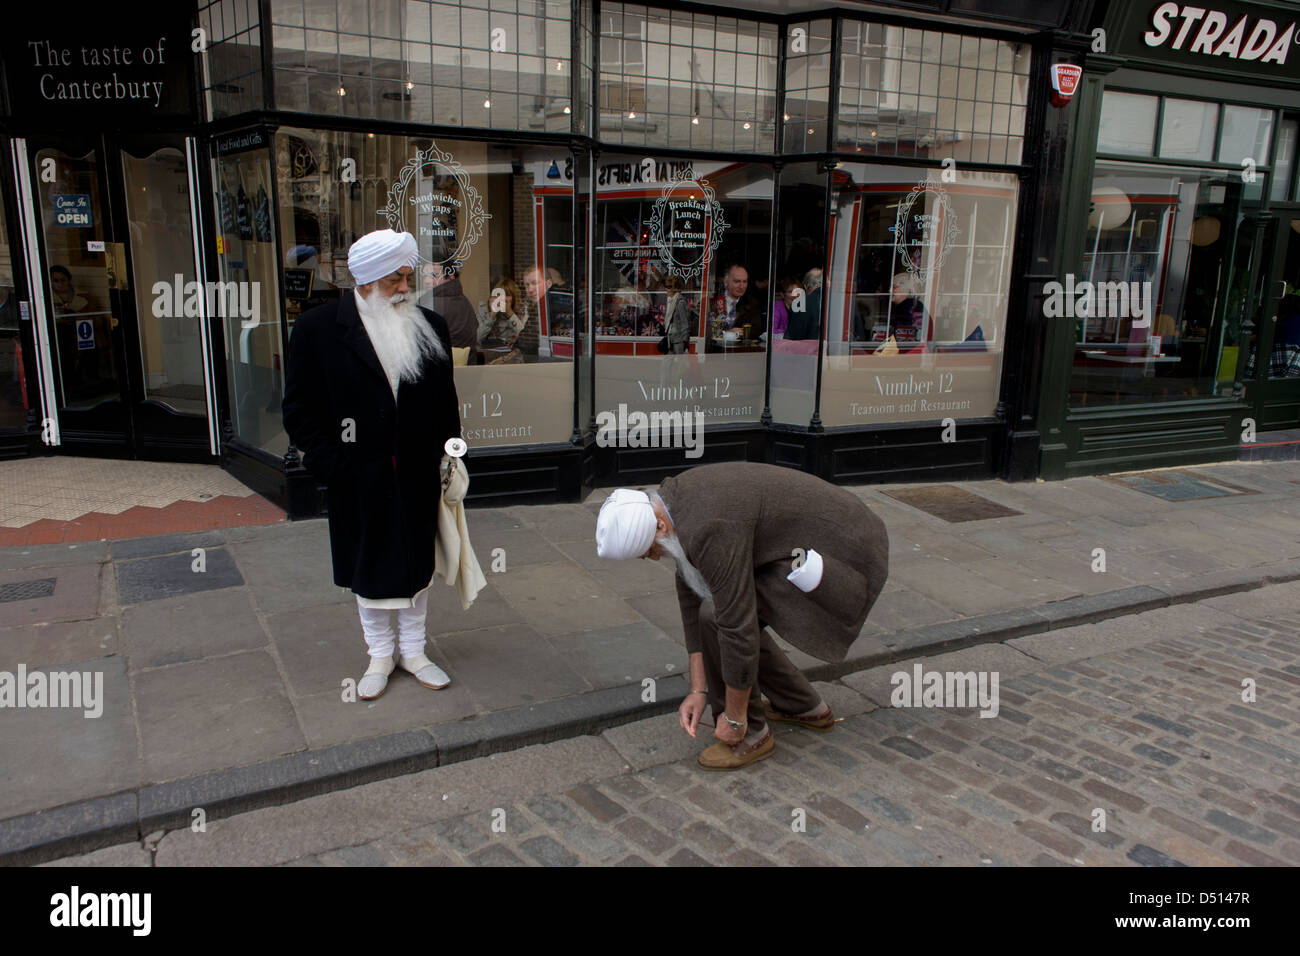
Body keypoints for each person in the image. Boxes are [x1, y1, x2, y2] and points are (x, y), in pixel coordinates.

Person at [594, 462, 890, 770]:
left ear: (659, 526)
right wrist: (699, 689)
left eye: (650, 551)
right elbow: (690, 592)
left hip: (847, 556)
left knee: (720, 615)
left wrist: (734, 719)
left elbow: (737, 626)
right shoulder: (672, 504)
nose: (654, 557)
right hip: (815, 541)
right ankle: (804, 707)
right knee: (718, 607)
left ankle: (751, 735)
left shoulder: (709, 527)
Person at [282, 228, 463, 700]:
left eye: (407, 277)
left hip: (419, 474)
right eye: (393, 280)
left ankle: (415, 651)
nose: (405, 288)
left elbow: (445, 402)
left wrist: (450, 454)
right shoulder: (317, 330)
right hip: (356, 477)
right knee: (368, 565)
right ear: (363, 281)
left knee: (418, 564)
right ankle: (380, 655)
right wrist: (333, 466)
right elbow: (300, 412)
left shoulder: (431, 326)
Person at [420, 263, 479, 364]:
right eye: (425, 276)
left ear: (450, 277)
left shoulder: (433, 304)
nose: (426, 281)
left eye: (434, 276)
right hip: (465, 370)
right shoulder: (463, 300)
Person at [478, 276, 536, 364]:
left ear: (513, 297)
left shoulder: (521, 310)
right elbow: (478, 337)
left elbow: (524, 338)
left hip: (510, 357)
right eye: (499, 295)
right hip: (487, 355)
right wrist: (492, 315)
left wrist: (510, 313)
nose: (502, 299)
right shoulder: (484, 308)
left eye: (507, 295)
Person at [706, 263, 763, 352]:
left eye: (745, 281)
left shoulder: (752, 303)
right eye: (737, 281)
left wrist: (741, 333)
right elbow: (703, 330)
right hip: (714, 353)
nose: (742, 286)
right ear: (726, 282)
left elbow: (757, 330)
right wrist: (725, 333)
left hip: (739, 354)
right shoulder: (712, 301)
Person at [888, 273, 932, 345]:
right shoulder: (914, 305)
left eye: (894, 287)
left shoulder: (907, 309)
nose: (890, 290)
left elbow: (901, 338)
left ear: (907, 290)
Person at [784, 267, 822, 341]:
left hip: (810, 350)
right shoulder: (838, 302)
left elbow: (793, 338)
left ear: (805, 286)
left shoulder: (800, 304)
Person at [663, 273, 693, 354]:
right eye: (666, 286)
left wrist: (685, 341)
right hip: (670, 338)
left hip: (679, 340)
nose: (666, 289)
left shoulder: (680, 302)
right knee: (666, 365)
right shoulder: (671, 301)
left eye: (669, 287)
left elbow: (685, 323)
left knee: (680, 364)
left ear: (674, 288)